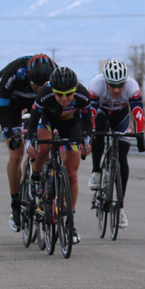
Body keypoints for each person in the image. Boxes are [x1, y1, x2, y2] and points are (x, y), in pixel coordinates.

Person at [24, 66, 93, 244]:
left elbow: (87, 124)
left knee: (72, 175)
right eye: (59, 94)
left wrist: (86, 143)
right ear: (52, 91)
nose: (64, 98)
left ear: (75, 90)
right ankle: (36, 176)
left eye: (68, 94)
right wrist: (31, 145)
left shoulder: (83, 95)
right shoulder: (45, 94)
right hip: (46, 121)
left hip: (70, 125)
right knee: (44, 148)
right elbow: (32, 123)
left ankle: (70, 223)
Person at [0, 54, 54, 230]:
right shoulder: (14, 73)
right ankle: (15, 202)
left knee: (44, 144)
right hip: (12, 103)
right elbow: (1, 106)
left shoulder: (54, 73)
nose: (38, 89)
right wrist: (10, 133)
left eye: (41, 86)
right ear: (28, 77)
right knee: (16, 153)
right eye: (35, 85)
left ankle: (35, 183)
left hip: (38, 104)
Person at [87, 59, 145, 228]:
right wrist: (89, 134)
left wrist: (141, 134)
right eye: (112, 85)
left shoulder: (132, 87)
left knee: (122, 155)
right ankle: (96, 172)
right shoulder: (95, 85)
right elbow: (90, 112)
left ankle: (120, 206)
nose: (116, 89)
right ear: (105, 81)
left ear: (125, 82)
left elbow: (137, 112)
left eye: (120, 85)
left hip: (121, 118)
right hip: (101, 115)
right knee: (97, 129)